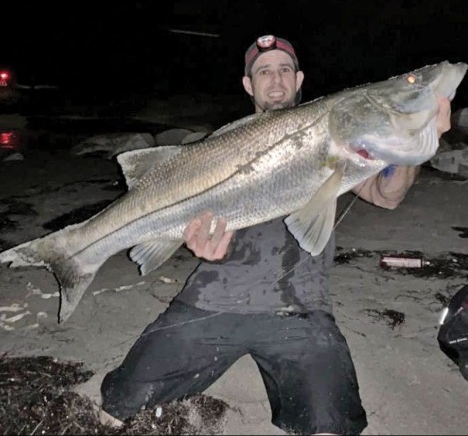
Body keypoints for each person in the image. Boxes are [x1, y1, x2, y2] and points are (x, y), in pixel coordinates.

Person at [100, 35, 452, 434]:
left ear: (299, 78)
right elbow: (182, 222)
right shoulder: (221, 145)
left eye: (285, 69)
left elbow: (388, 195)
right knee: (118, 406)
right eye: (264, 71)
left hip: (300, 310)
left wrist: (414, 144)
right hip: (211, 300)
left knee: (330, 426)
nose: (276, 80)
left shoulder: (334, 137)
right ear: (249, 85)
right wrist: (192, 242)